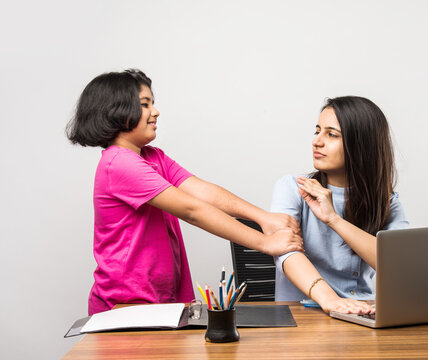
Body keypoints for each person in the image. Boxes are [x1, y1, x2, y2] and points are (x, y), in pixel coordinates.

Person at [66, 69, 303, 315]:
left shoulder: (153, 157)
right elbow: (192, 210)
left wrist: (263, 217)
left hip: (162, 300)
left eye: (153, 104)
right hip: (126, 305)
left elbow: (202, 191)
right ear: (117, 111)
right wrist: (265, 243)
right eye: (145, 105)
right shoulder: (119, 163)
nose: (155, 112)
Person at [271, 96, 409, 315]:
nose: (317, 141)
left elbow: (398, 267)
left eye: (332, 134)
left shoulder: (387, 201)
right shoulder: (292, 187)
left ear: (362, 145)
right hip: (303, 315)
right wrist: (330, 300)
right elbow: (286, 252)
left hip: (363, 312)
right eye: (318, 131)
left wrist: (334, 219)